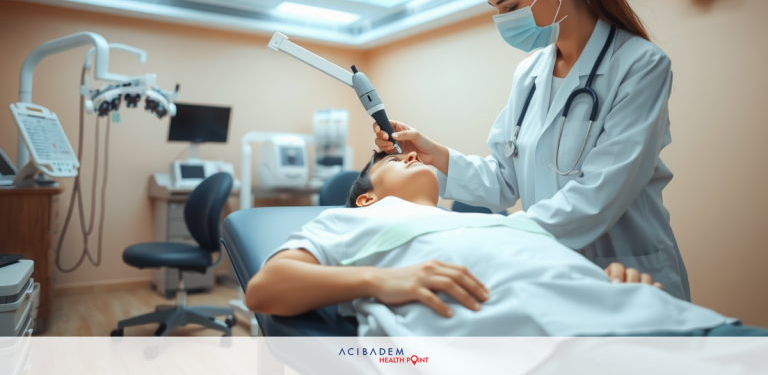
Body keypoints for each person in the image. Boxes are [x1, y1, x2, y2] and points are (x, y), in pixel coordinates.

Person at [374, 0, 690, 301]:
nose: (503, 22)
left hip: (628, 274)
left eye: (510, 7)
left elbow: (599, 195)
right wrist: (435, 154)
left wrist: (495, 236)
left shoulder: (640, 65)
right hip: (552, 269)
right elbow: (506, 181)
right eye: (497, 9)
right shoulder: (530, 74)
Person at [245, 151, 767, 337]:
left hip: (656, 322)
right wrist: (385, 279)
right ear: (364, 198)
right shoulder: (353, 224)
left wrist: (608, 277)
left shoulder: (507, 222)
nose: (408, 157)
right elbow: (267, 288)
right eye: (388, 163)